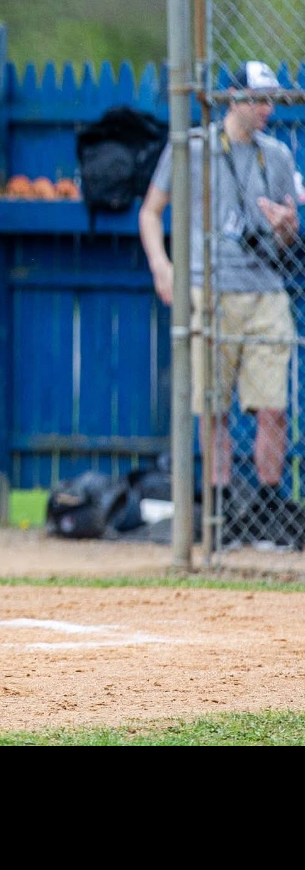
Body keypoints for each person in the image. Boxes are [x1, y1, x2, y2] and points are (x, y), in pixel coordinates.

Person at [140, 59, 300, 534]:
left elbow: (287, 237)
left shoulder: (278, 156)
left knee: (273, 406)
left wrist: (285, 226)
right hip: (209, 287)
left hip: (264, 290)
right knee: (212, 406)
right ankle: (220, 504)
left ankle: (269, 506)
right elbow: (150, 212)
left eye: (272, 101)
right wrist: (162, 266)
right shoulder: (192, 148)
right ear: (233, 98)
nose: (267, 109)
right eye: (258, 100)